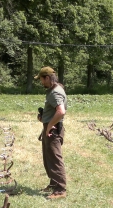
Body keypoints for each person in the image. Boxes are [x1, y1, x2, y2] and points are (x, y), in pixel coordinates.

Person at [34, 66, 67, 199]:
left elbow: (61, 111)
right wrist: (44, 118)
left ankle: (60, 190)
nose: (41, 82)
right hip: (51, 126)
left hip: (53, 129)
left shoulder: (55, 92)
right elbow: (55, 111)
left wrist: (49, 126)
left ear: (47, 78)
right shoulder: (55, 89)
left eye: (41, 79)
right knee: (49, 157)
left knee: (55, 158)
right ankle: (54, 184)